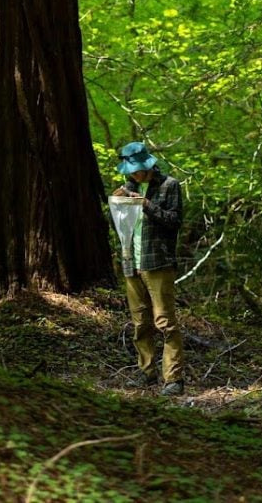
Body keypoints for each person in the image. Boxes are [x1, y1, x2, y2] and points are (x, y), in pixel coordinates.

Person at [113, 141, 185, 396]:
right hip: (131, 262)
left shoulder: (169, 186)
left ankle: (173, 379)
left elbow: (174, 221)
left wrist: (146, 204)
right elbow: (121, 230)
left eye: (138, 169)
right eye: (130, 170)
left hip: (158, 263)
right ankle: (146, 372)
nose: (134, 174)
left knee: (165, 322)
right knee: (140, 322)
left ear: (149, 165)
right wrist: (118, 204)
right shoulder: (127, 188)